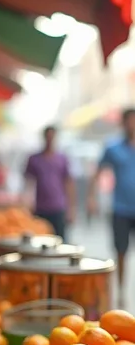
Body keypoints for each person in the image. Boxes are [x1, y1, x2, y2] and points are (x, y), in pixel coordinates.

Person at [87, 108, 135, 301]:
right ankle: (121, 291)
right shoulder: (113, 148)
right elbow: (98, 172)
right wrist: (92, 197)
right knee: (121, 252)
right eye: (129, 121)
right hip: (121, 208)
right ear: (123, 124)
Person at [23, 125, 76, 239]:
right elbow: (28, 182)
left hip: (58, 206)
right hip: (40, 207)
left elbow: (68, 183)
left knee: (60, 240)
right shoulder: (34, 159)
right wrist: (27, 202)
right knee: (40, 238)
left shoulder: (62, 159)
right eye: (48, 136)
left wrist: (71, 208)